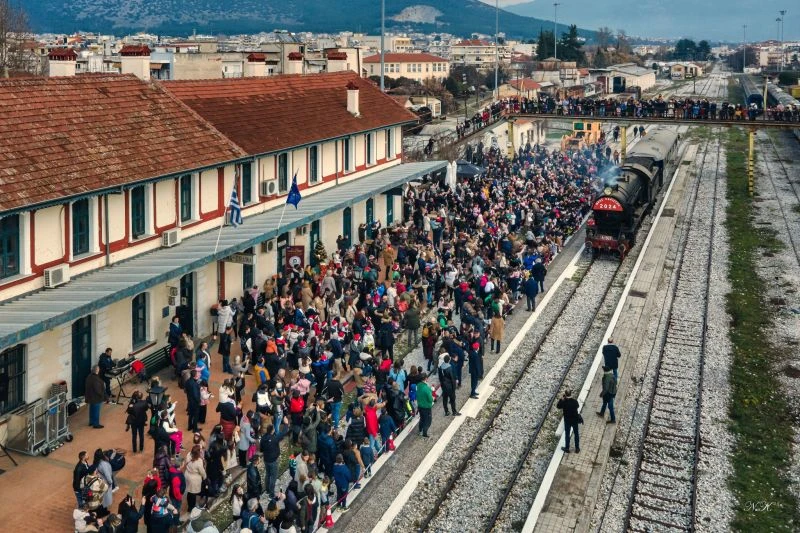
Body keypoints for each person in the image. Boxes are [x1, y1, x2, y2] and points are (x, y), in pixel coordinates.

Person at [261, 422, 290, 497]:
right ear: (272, 430)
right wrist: (286, 424)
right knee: (273, 477)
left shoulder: (263, 438)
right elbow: (283, 433)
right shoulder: (274, 438)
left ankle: (267, 490)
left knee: (268, 474)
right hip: (273, 461)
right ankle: (271, 494)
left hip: (266, 459)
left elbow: (261, 449)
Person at [183, 444, 207, 512]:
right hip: (194, 479)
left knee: (189, 492)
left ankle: (189, 507)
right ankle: (191, 507)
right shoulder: (198, 461)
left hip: (187, 475)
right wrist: (205, 477)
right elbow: (202, 472)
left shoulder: (188, 455)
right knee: (193, 494)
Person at [416, 372, 434, 438]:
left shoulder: (418, 385)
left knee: (422, 419)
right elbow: (430, 399)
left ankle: (420, 430)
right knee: (428, 421)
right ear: (426, 378)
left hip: (420, 406)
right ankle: (425, 433)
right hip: (426, 407)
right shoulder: (427, 388)